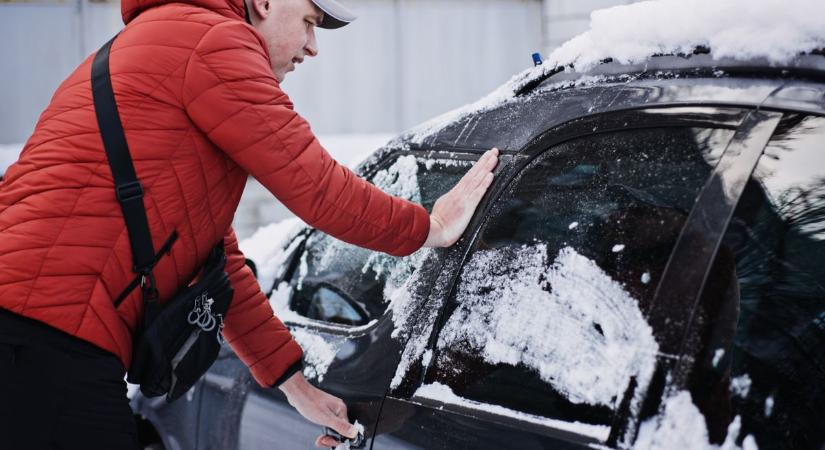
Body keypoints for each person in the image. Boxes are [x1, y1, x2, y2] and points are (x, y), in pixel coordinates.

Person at [0, 0, 499, 447]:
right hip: (44, 336)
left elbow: (216, 265)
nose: (312, 46)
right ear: (263, 2)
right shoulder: (215, 41)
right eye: (308, 21)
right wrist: (430, 226)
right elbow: (317, 187)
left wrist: (294, 386)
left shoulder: (172, 41)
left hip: (33, 332)